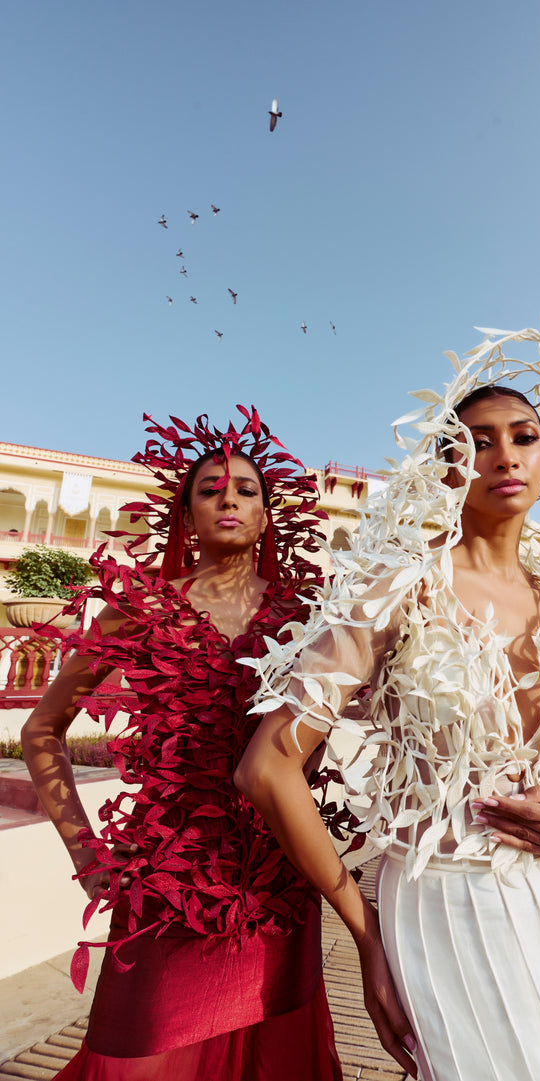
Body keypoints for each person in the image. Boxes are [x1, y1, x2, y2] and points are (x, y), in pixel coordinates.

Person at [235, 319, 540, 1081]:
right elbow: (267, 766)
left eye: (524, 436)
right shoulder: (397, 590)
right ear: (447, 465)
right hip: (447, 907)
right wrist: (364, 927)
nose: (504, 454)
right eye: (477, 440)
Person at [21, 406, 343, 1081]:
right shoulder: (141, 605)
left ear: (266, 515)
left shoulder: (308, 620)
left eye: (247, 488)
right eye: (209, 488)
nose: (229, 496)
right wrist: (87, 854)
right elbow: (42, 728)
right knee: (140, 1056)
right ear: (185, 515)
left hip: (276, 884)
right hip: (166, 888)